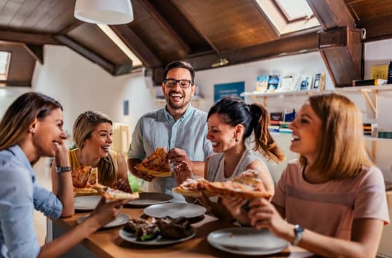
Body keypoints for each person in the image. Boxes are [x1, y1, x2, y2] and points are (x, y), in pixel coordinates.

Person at [242, 93, 389, 258]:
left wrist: (292, 232)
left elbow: (364, 252)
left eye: (304, 120)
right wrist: (237, 210)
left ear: (333, 130)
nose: (291, 125)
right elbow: (268, 226)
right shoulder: (292, 170)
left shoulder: (367, 178)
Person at [0, 92, 130, 258]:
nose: (63, 134)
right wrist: (95, 222)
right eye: (58, 125)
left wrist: (64, 163)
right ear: (33, 125)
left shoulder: (17, 167)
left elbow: (63, 210)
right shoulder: (12, 173)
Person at [176, 96, 285, 222]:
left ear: (237, 131)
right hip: (216, 236)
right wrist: (186, 189)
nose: (208, 136)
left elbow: (267, 226)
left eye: (215, 130)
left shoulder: (254, 169)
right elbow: (208, 211)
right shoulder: (211, 162)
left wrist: (233, 212)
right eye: (209, 129)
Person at [127, 60, 213, 201]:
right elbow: (133, 158)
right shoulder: (145, 122)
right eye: (171, 82)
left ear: (193, 89)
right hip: (154, 205)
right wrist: (141, 172)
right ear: (163, 87)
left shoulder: (207, 123)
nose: (177, 88)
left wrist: (190, 165)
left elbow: (218, 167)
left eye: (184, 83)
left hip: (195, 207)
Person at [52, 111, 131, 193]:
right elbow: (57, 200)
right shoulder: (63, 160)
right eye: (103, 135)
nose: (110, 140)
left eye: (110, 134)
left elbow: (128, 199)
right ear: (84, 138)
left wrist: (124, 191)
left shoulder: (118, 160)